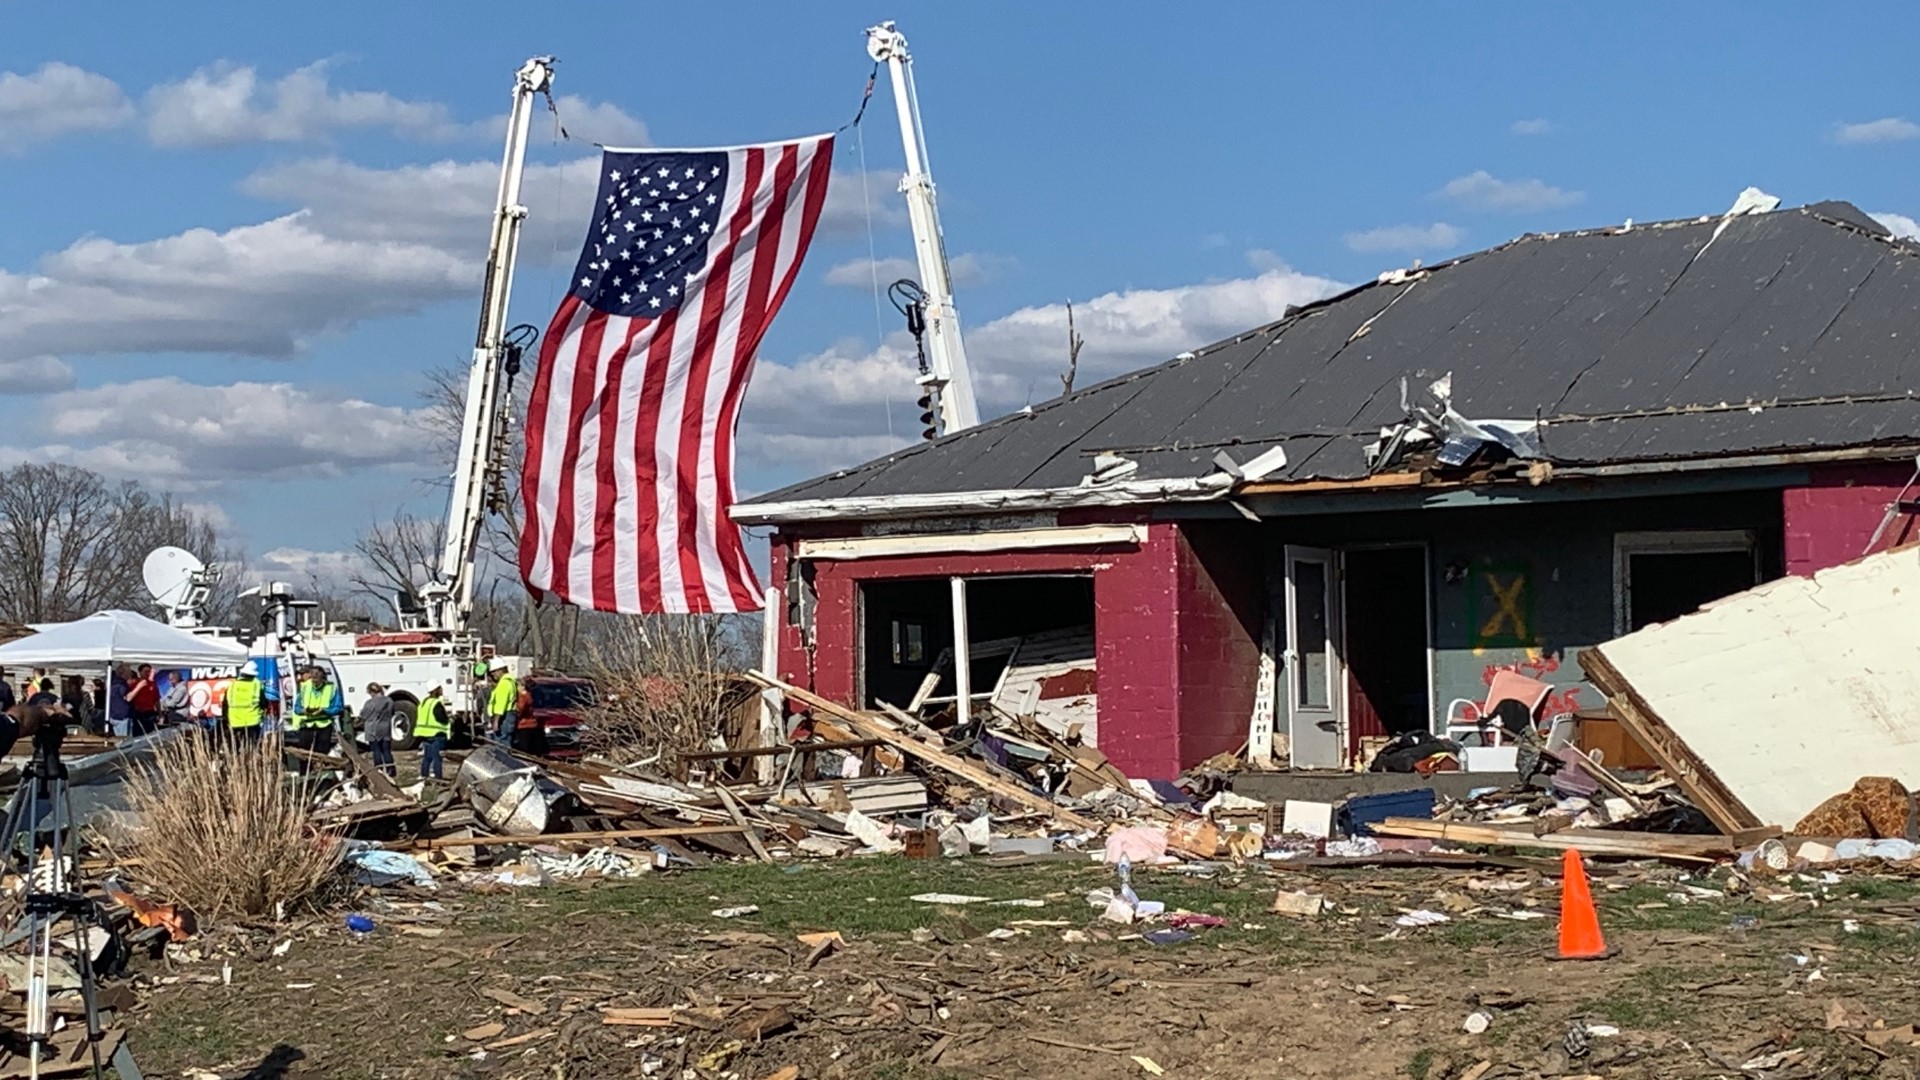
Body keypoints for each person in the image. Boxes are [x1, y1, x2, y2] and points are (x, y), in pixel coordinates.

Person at [290, 665, 344, 757]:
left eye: (316, 675)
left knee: (322, 753)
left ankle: (321, 770)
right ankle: (304, 771)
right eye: (312, 675)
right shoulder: (305, 687)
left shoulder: (331, 688)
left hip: (324, 725)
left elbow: (338, 707)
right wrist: (303, 711)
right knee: (303, 752)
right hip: (307, 724)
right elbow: (297, 708)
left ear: (323, 677)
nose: (314, 678)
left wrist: (325, 711)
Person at [220, 662, 266, 747]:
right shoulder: (257, 684)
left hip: (235, 722)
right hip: (252, 722)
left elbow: (225, 706)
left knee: (236, 748)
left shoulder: (232, 686)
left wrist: (226, 720)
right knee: (252, 747)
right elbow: (263, 703)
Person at [359, 682, 398, 778]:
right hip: (385, 728)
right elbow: (393, 712)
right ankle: (391, 770)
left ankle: (379, 770)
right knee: (386, 750)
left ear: (372, 692)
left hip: (372, 729)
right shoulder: (389, 701)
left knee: (376, 751)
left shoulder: (369, 703)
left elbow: (363, 715)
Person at [414, 685, 449, 780]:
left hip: (424, 734)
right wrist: (448, 719)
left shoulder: (424, 702)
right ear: (436, 690)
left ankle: (424, 775)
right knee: (437, 757)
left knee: (427, 757)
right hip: (436, 733)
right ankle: (438, 777)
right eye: (440, 688)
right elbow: (441, 718)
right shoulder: (436, 703)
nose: (442, 690)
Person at [486, 661, 519, 742]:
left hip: (504, 718)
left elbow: (500, 705)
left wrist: (496, 721)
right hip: (508, 716)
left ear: (500, 670)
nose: (493, 675)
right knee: (505, 740)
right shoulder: (510, 681)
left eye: (494, 672)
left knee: (501, 743)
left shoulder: (504, 683)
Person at [127, 664, 160, 736]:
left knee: (149, 734)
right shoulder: (135, 684)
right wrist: (139, 686)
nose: (147, 673)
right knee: (137, 733)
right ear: (140, 672)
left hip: (149, 713)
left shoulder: (153, 684)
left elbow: (157, 700)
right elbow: (129, 698)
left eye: (149, 672)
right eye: (145, 671)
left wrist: (159, 713)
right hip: (138, 713)